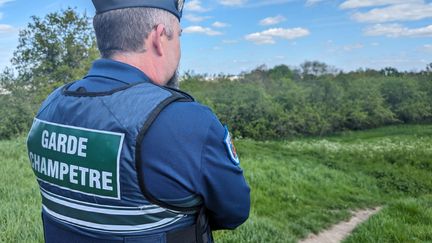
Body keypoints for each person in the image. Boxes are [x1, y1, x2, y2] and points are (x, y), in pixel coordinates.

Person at [26, 0, 251, 242]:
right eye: (178, 36)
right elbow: (234, 211)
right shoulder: (186, 121)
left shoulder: (50, 107)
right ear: (159, 37)